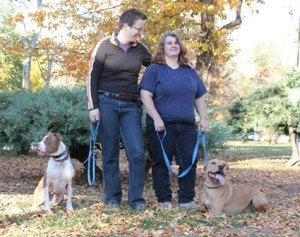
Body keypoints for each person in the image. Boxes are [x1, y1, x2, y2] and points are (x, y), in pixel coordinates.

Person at [86, 8, 151, 210]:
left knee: (137, 152)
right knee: (110, 152)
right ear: (125, 26)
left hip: (131, 106)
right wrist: (93, 107)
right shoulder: (103, 45)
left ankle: (136, 200)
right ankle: (112, 197)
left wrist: (185, 64)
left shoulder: (141, 49)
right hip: (107, 103)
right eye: (138, 29)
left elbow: (158, 67)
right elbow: (91, 77)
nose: (140, 33)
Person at [140, 31, 208, 208]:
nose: (173, 45)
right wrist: (156, 118)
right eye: (168, 43)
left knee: (189, 162)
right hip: (161, 125)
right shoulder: (154, 69)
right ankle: (164, 199)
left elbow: (199, 97)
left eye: (176, 42)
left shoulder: (190, 71)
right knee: (161, 163)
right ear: (162, 47)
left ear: (180, 46)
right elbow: (145, 96)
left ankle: (186, 199)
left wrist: (203, 119)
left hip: (187, 126)